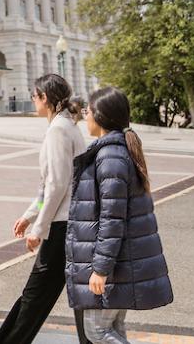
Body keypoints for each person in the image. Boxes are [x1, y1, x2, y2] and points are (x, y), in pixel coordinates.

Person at [66, 87, 173, 343]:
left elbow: (111, 220)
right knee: (114, 327)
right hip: (121, 262)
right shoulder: (115, 150)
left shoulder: (110, 156)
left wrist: (100, 269)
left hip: (114, 265)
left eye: (88, 111)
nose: (85, 116)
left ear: (101, 116)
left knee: (97, 331)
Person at [0, 74, 89, 344]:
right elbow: (49, 185)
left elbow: (57, 185)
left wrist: (38, 228)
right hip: (68, 221)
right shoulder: (67, 126)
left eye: (35, 96)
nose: (33, 101)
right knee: (51, 295)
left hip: (61, 224)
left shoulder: (59, 130)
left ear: (45, 98)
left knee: (36, 295)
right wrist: (29, 215)